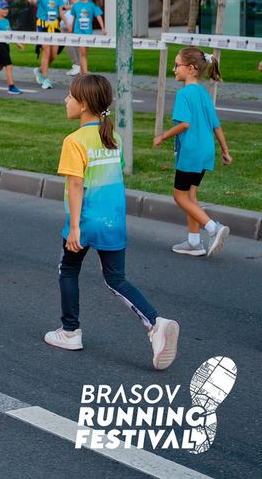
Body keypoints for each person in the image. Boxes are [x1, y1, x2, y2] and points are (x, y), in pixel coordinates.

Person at [46, 74, 180, 370]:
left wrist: (76, 228)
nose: (65, 100)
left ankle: (70, 332)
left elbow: (76, 186)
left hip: (86, 221)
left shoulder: (74, 141)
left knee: (67, 270)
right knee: (116, 279)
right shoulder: (114, 137)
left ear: (83, 106)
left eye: (69, 96)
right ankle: (156, 324)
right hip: (114, 221)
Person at [152, 47, 232, 258]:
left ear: (191, 68)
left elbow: (184, 124)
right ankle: (194, 242)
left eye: (177, 65)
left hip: (191, 151)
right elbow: (216, 125)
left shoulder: (183, 94)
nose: (173, 69)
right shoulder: (205, 94)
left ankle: (213, 228)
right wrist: (225, 150)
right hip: (206, 151)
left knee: (179, 196)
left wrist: (162, 136)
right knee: (191, 195)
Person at [28, 0, 64, 89]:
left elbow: (60, 11)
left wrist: (67, 24)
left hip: (54, 27)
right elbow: (34, 1)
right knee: (46, 50)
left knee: (54, 53)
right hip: (42, 25)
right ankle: (45, 78)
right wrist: (31, 0)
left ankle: (40, 70)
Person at [69, 0, 105, 75]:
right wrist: (71, 27)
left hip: (88, 33)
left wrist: (103, 28)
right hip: (78, 32)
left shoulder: (92, 5)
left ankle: (82, 72)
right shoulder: (76, 6)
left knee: (85, 53)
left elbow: (98, 16)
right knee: (82, 52)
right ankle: (84, 73)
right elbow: (74, 17)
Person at [57, 0, 82, 76]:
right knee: (72, 42)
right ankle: (78, 66)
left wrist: (64, 7)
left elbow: (77, 5)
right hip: (67, 19)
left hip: (70, 19)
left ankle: (76, 65)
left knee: (66, 41)